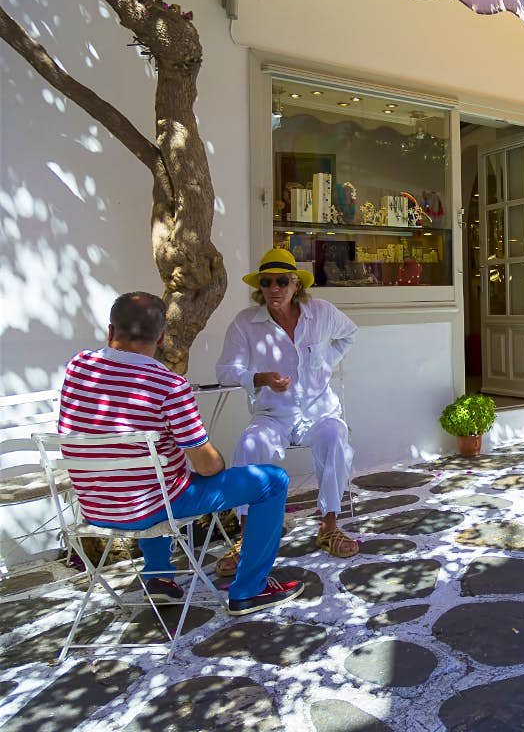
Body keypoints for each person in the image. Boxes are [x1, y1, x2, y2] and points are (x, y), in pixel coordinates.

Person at [57, 292, 300, 615]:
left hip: (96, 507)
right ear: (161, 338)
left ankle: (159, 577)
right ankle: (250, 589)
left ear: (110, 330)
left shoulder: (78, 367)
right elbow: (207, 465)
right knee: (272, 481)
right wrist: (214, 461)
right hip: (149, 507)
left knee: (155, 475)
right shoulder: (168, 386)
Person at [217, 247, 359, 565]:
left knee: (335, 436)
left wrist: (325, 363)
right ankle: (247, 538)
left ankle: (329, 527)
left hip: (318, 411)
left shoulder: (321, 313)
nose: (274, 288)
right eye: (266, 282)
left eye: (282, 281)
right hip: (273, 414)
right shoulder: (245, 323)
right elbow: (225, 371)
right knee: (249, 446)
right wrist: (260, 378)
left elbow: (349, 334)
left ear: (296, 284)